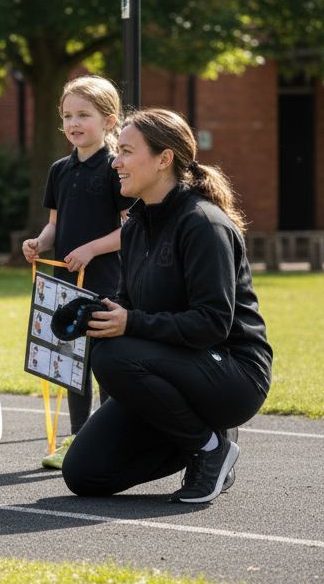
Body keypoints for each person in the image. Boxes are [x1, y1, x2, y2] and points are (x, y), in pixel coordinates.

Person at [63, 108, 271, 504]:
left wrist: (129, 323)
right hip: (174, 368)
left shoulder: (204, 225)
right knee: (83, 474)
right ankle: (195, 437)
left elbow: (212, 324)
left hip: (233, 375)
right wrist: (96, 313)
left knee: (112, 355)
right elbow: (131, 302)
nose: (115, 161)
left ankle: (210, 449)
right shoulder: (138, 225)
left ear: (164, 159)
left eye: (125, 151)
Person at [22, 75, 133, 469]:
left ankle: (110, 441)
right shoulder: (59, 170)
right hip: (67, 282)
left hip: (108, 282)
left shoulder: (116, 168)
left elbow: (129, 230)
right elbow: (55, 223)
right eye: (68, 115)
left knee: (103, 362)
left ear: (108, 119)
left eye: (83, 114)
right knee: (72, 363)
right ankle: (77, 439)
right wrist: (39, 242)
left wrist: (90, 249)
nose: (74, 123)